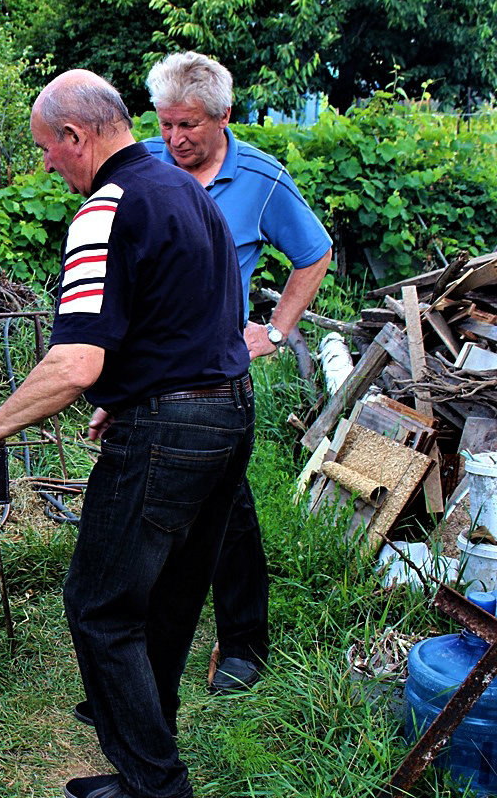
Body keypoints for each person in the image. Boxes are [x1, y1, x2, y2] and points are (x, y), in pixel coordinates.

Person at [0, 69, 254, 798]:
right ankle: (143, 768)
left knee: (98, 605)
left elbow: (75, 362)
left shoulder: (106, 205)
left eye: (48, 149)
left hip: (171, 432)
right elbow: (197, 318)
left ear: (76, 136)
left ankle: (156, 787)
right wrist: (133, 388)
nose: (46, 164)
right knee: (169, 600)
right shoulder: (186, 191)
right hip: (230, 413)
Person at [146, 51, 332, 694]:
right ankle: (143, 639)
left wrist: (274, 332)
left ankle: (244, 644)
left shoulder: (260, 178)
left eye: (189, 125)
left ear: (224, 116)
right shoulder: (142, 166)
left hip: (219, 376)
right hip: (147, 372)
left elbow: (314, 252)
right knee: (143, 495)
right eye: (166, 123)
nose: (175, 139)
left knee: (227, 505)